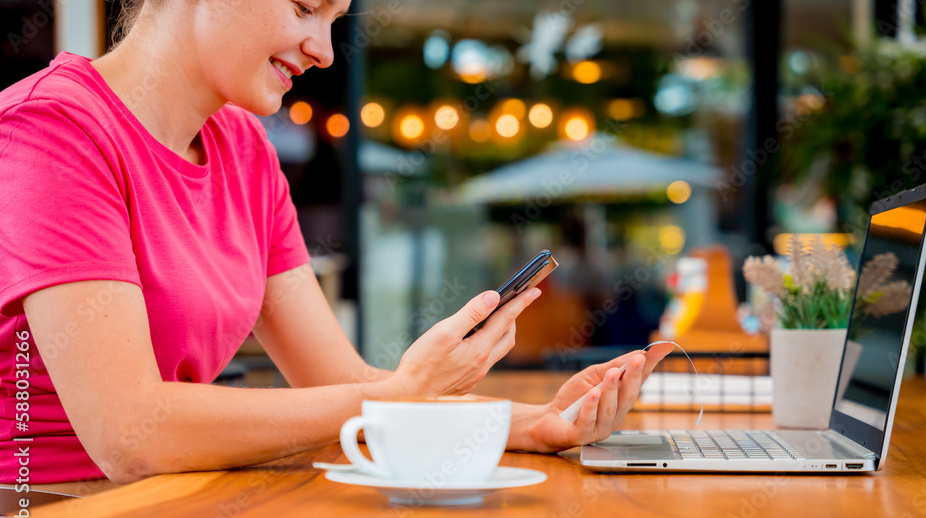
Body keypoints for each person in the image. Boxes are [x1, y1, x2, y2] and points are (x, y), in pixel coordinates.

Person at [0, 0, 667, 485]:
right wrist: (402, 394)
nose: (322, 49)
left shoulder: (245, 154)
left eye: (333, 20)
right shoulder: (52, 133)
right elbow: (131, 436)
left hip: (176, 505)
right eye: (304, 9)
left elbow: (343, 385)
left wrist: (532, 425)